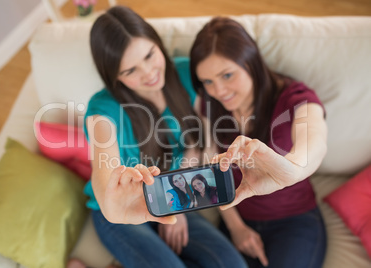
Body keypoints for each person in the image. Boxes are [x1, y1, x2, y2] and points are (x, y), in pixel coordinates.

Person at [80, 6, 247, 268]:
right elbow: (104, 170)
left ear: (158, 43)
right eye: (130, 71)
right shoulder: (102, 111)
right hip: (121, 212)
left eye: (149, 55)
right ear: (114, 77)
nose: (148, 73)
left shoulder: (186, 74)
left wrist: (176, 206)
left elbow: (206, 149)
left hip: (175, 192)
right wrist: (111, 201)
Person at [189, 17, 328, 268]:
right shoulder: (209, 105)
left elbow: (313, 144)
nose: (219, 90)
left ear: (251, 62)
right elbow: (212, 173)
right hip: (238, 218)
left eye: (227, 75)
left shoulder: (296, 98)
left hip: (293, 220)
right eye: (208, 81)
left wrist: (291, 169)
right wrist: (236, 228)